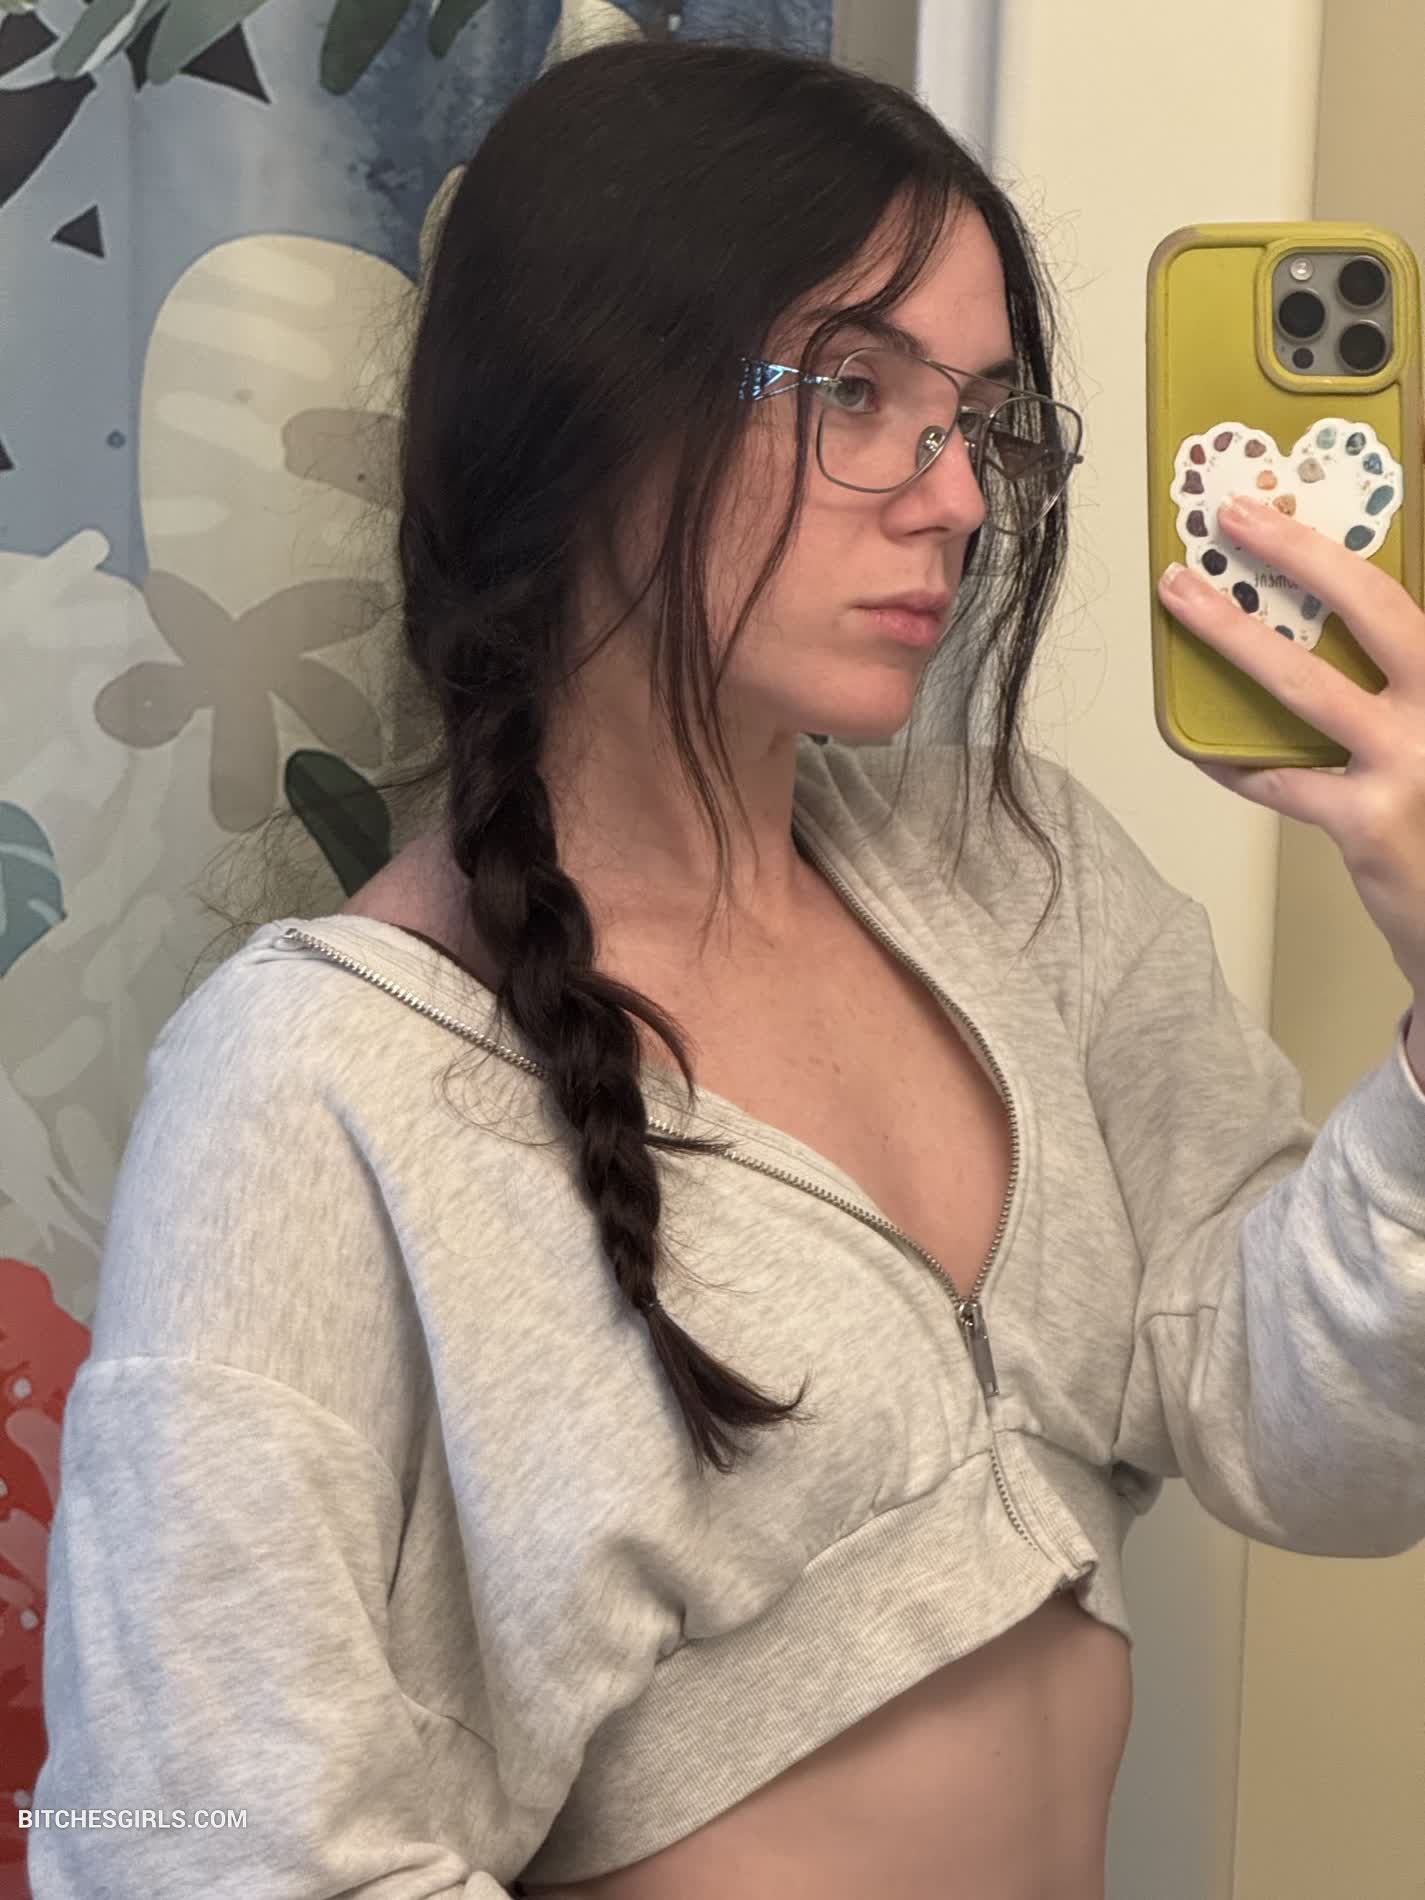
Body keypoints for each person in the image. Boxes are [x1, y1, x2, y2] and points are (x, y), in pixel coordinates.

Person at [30, 34, 1425, 1900]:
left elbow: (1315, 1450)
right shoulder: (311, 1085)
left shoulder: (1025, 875)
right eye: (853, 388)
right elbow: (189, 1846)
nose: (953, 495)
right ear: (589, 406)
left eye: (977, 416)